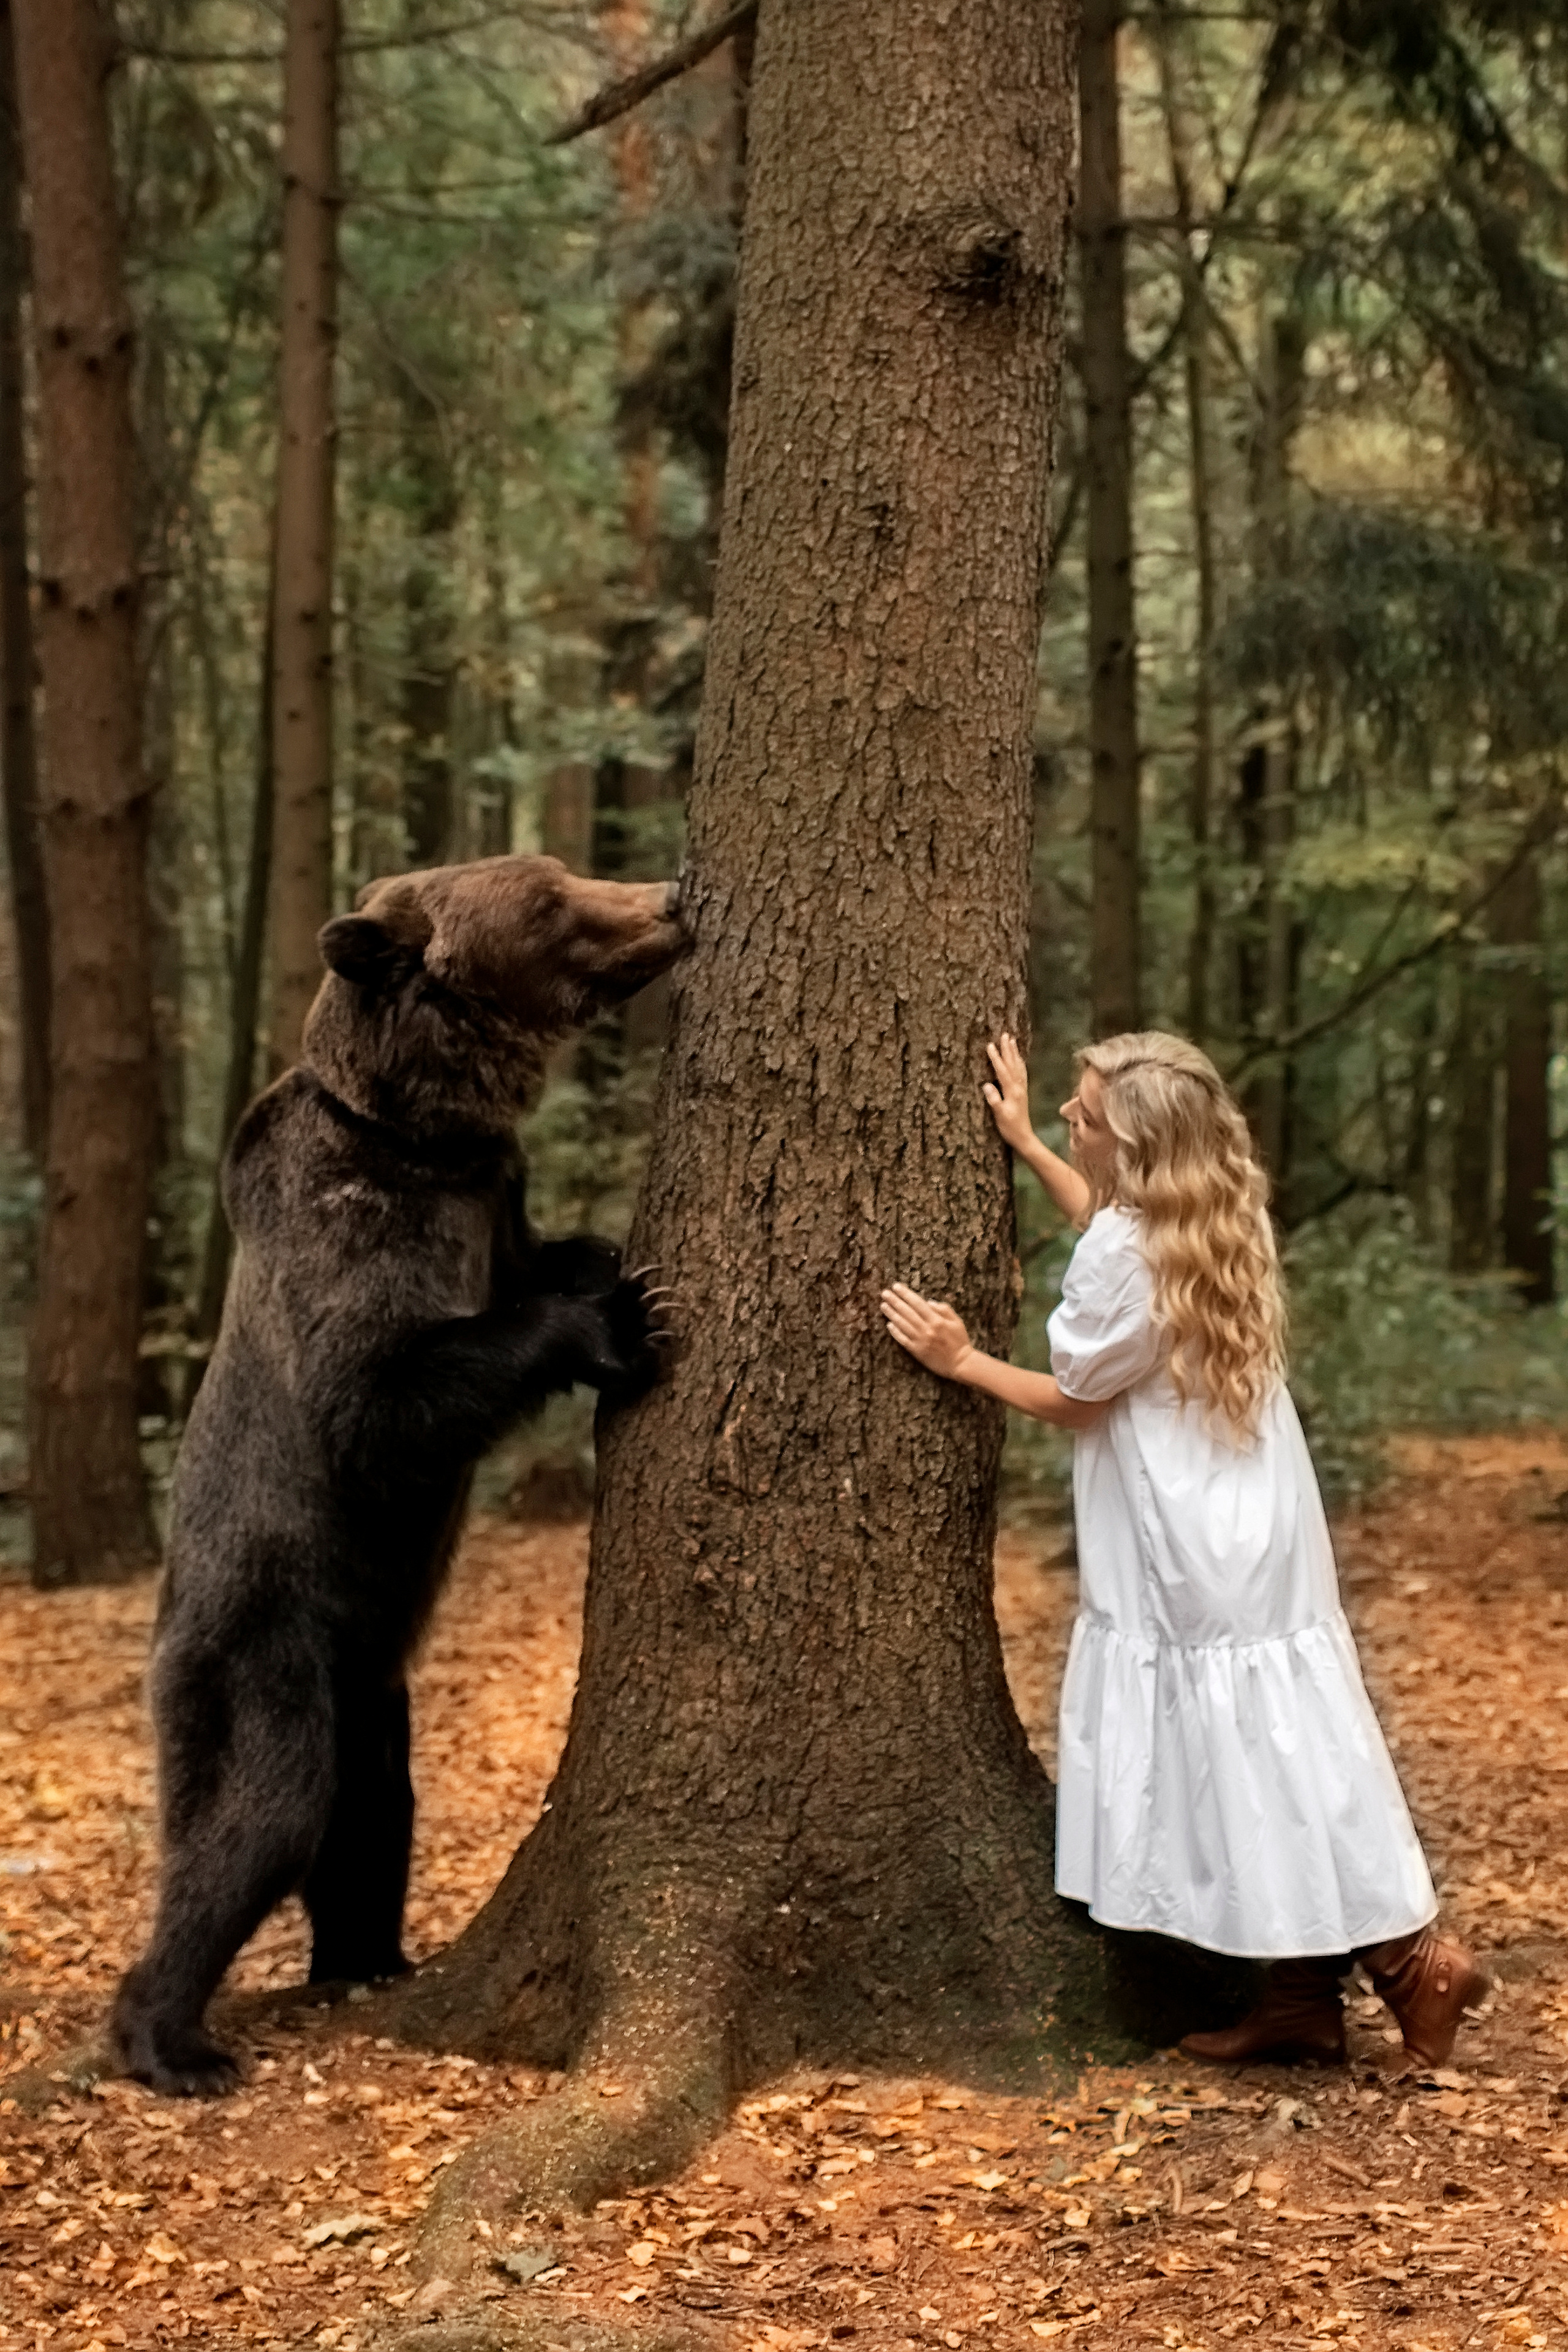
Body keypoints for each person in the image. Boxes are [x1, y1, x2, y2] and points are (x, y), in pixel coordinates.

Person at [880, 1028, 1486, 2069]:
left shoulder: (1132, 1249)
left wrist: (963, 1358)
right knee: (1272, 1738)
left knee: (1252, 1749)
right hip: (1250, 1500)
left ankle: (1411, 1959)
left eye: (1086, 1115)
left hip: (1188, 1521)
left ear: (1139, 1144)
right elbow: (1106, 1226)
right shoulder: (1209, 1208)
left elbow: (1075, 1400)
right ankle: (1300, 2000)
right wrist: (1027, 1141)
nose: (1074, 1116)